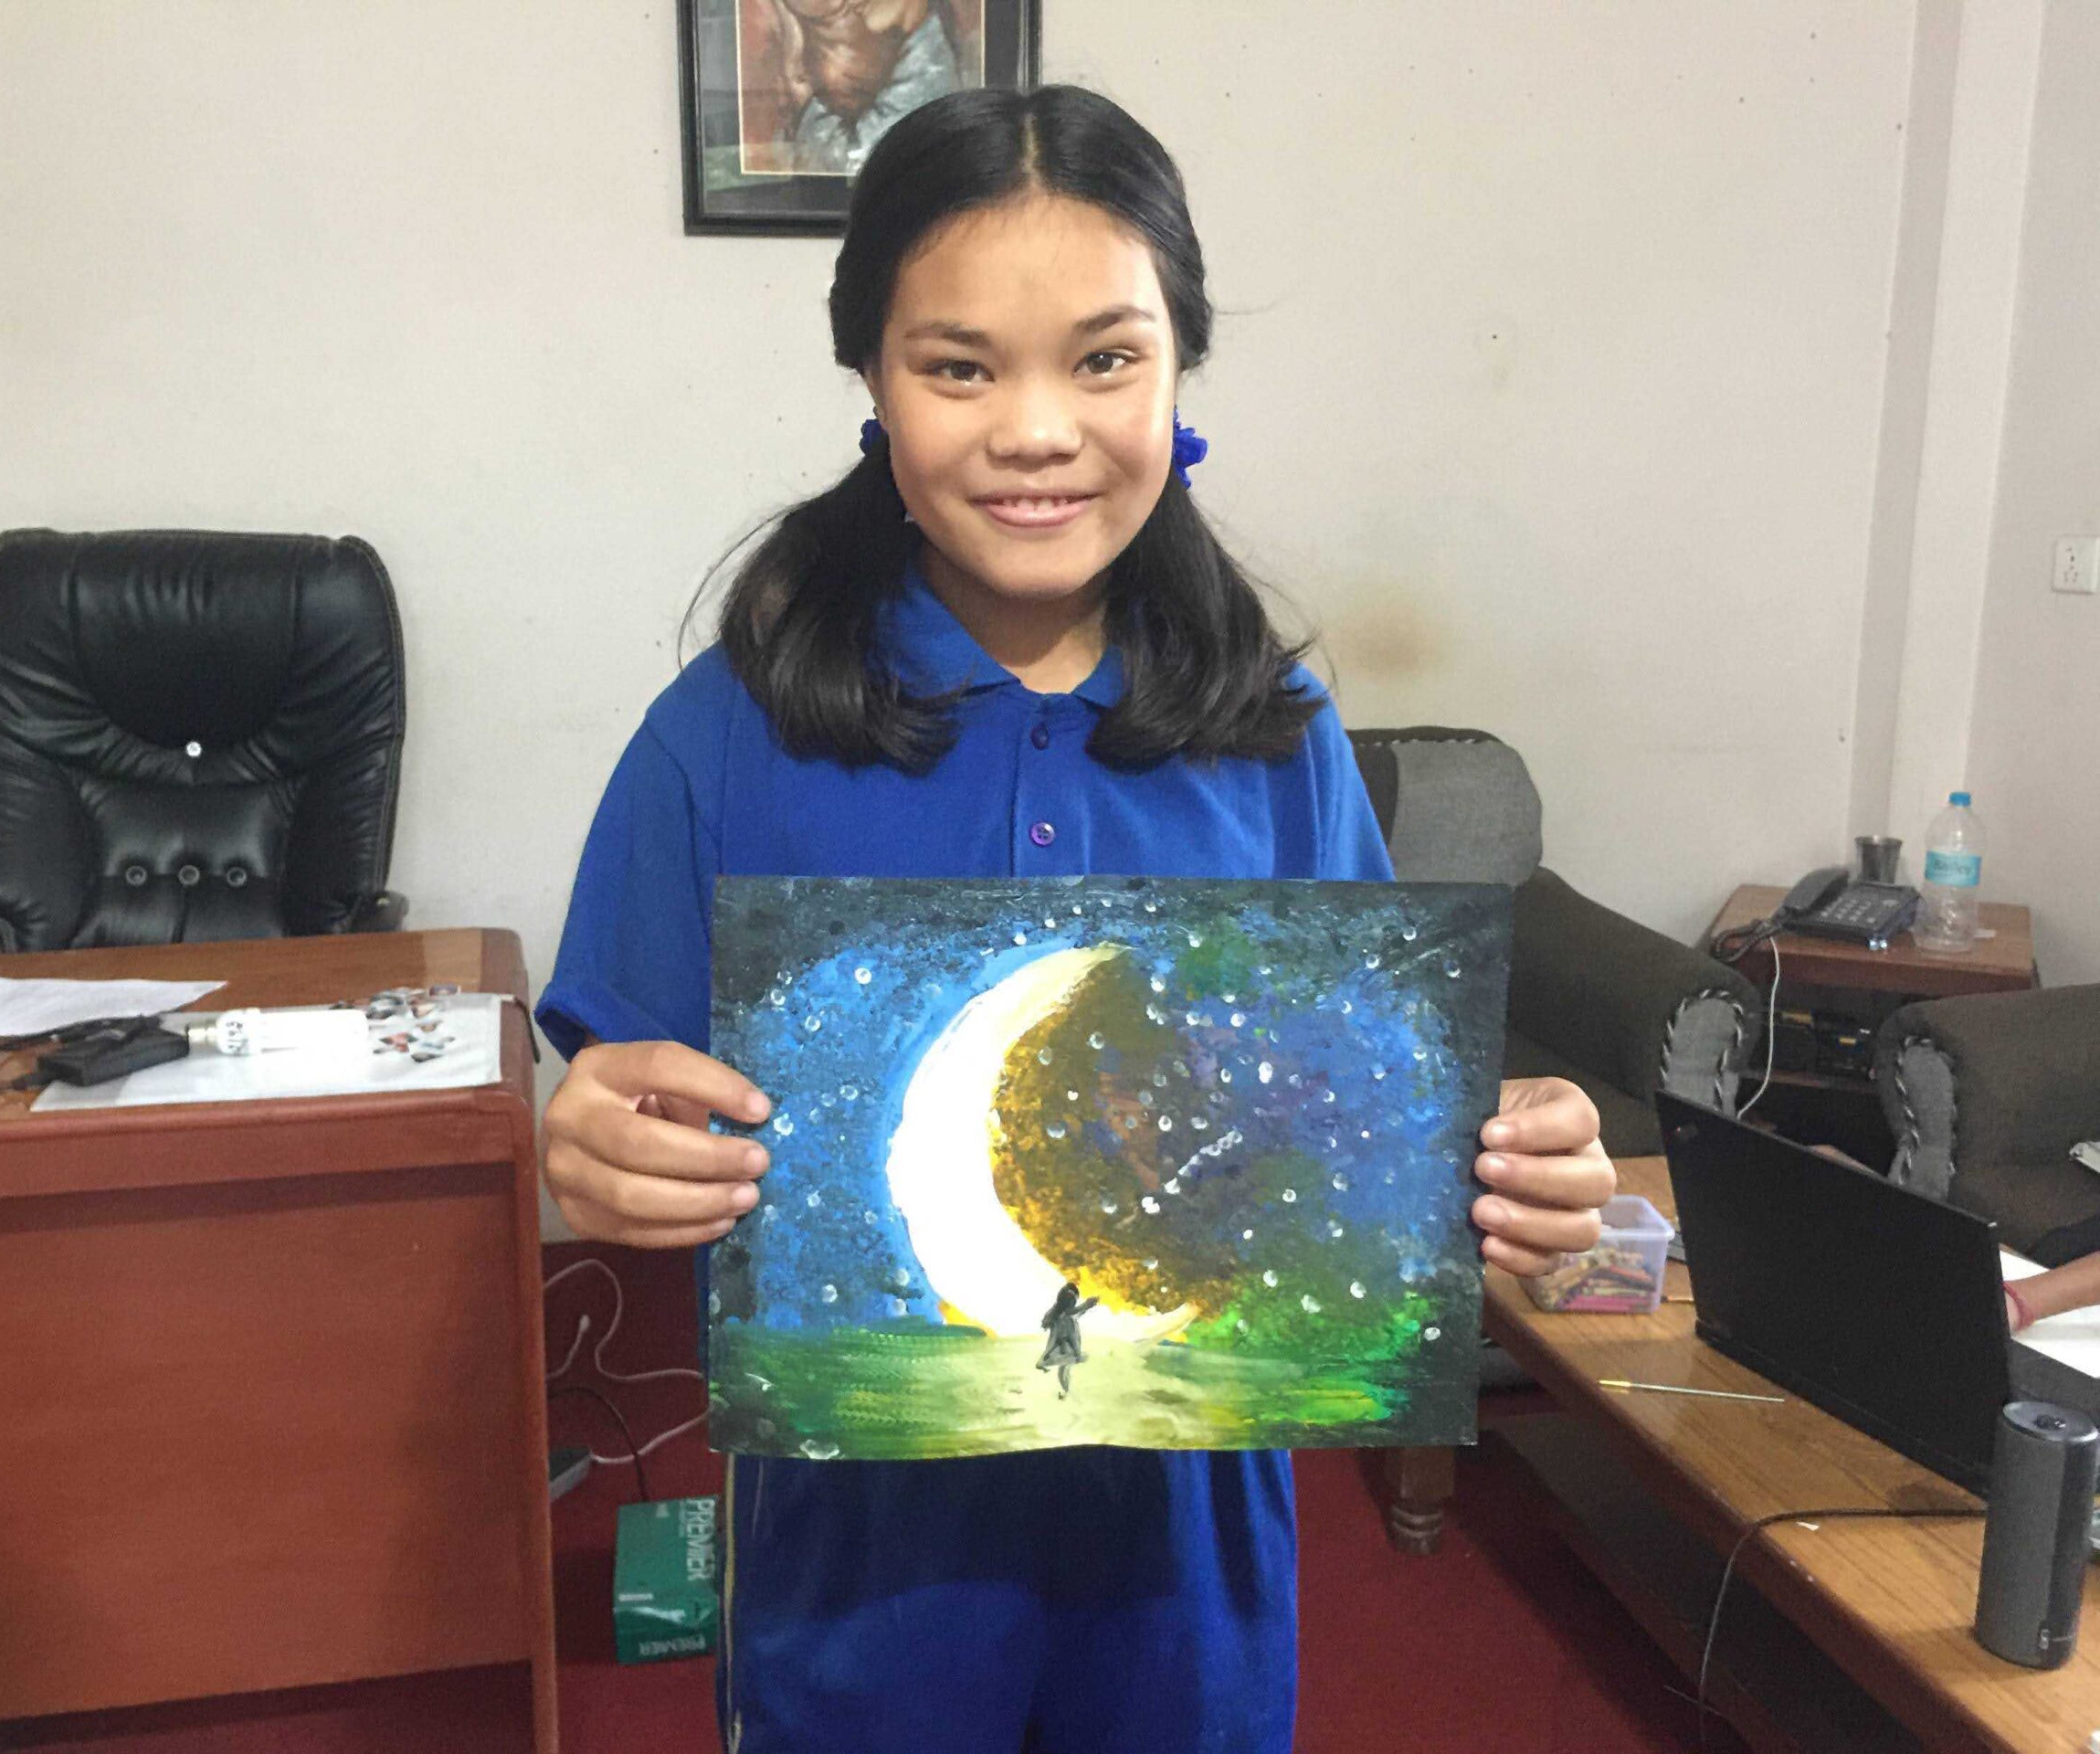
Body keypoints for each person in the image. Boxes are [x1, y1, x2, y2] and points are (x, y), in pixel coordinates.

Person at [537, 83, 1615, 1754]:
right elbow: (622, 1102)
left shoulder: (1275, 740)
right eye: (960, 367)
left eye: (1105, 359)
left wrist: (1506, 1172)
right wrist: (593, 1144)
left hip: (1184, 1597)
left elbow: (1365, 1132)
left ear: (1181, 371)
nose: (1037, 431)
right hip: (857, 1599)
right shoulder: (729, 733)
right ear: (871, 379)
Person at [771, 0, 961, 175]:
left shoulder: (930, 71)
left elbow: (856, 164)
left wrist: (805, 100)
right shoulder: (913, 55)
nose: (851, 2)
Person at [1036, 1282, 1100, 1397]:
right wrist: (1087, 1304)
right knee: (1064, 1369)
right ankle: (1065, 1393)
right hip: (1065, 1351)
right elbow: (1074, 1313)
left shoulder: (1059, 1315)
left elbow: (1076, 1311)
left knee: (1064, 1370)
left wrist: (1087, 1305)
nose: (1074, 1303)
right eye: (1073, 1301)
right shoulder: (1062, 1318)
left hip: (1064, 1351)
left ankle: (1065, 1392)